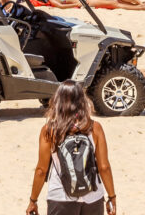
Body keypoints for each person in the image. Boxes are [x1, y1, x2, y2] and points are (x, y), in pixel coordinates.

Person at [26, 80, 116, 215]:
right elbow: (104, 167)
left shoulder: (49, 130)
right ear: (82, 101)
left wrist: (33, 200)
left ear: (57, 101)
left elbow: (41, 170)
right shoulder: (94, 128)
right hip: (92, 197)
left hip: (60, 197)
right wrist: (112, 196)